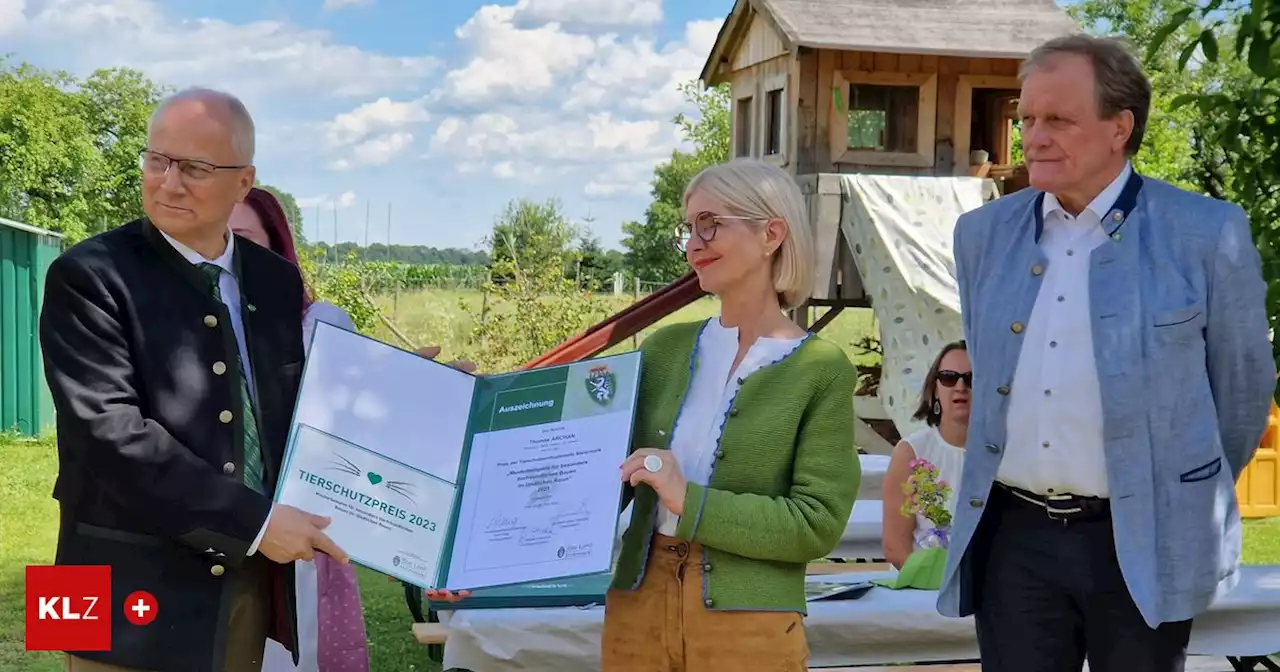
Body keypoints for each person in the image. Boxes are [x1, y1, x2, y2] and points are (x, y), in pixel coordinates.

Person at [429, 159, 861, 669]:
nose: (693, 244)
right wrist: (480, 561)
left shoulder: (821, 369)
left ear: (771, 233)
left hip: (752, 621)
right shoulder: (663, 350)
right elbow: (592, 479)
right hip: (638, 604)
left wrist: (686, 499)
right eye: (689, 227)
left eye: (710, 223)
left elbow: (815, 524)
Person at [938, 34, 1275, 672]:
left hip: (1144, 538)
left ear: (1119, 126)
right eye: (1027, 118)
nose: (1033, 136)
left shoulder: (1206, 233)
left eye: (1058, 119)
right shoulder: (981, 234)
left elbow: (1240, 395)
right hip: (1015, 539)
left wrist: (1179, 490)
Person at [39, 88, 348, 672]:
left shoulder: (274, 281)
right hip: (114, 582)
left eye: (196, 168)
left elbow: (295, 408)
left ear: (244, 182)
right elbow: (108, 433)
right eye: (157, 160)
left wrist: (416, 403)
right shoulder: (85, 274)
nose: (168, 182)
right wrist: (255, 525)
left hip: (239, 578)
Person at [230, 188, 370, 672]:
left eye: (243, 236)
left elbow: (362, 413)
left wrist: (415, 389)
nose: (227, 248)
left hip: (300, 518)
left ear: (276, 245)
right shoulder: (189, 329)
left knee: (297, 650)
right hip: (220, 520)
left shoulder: (320, 324)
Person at [881, 341, 968, 569]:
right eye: (949, 377)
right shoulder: (911, 453)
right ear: (935, 389)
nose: (960, 386)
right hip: (921, 584)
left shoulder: (1002, 453)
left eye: (971, 378)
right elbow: (896, 548)